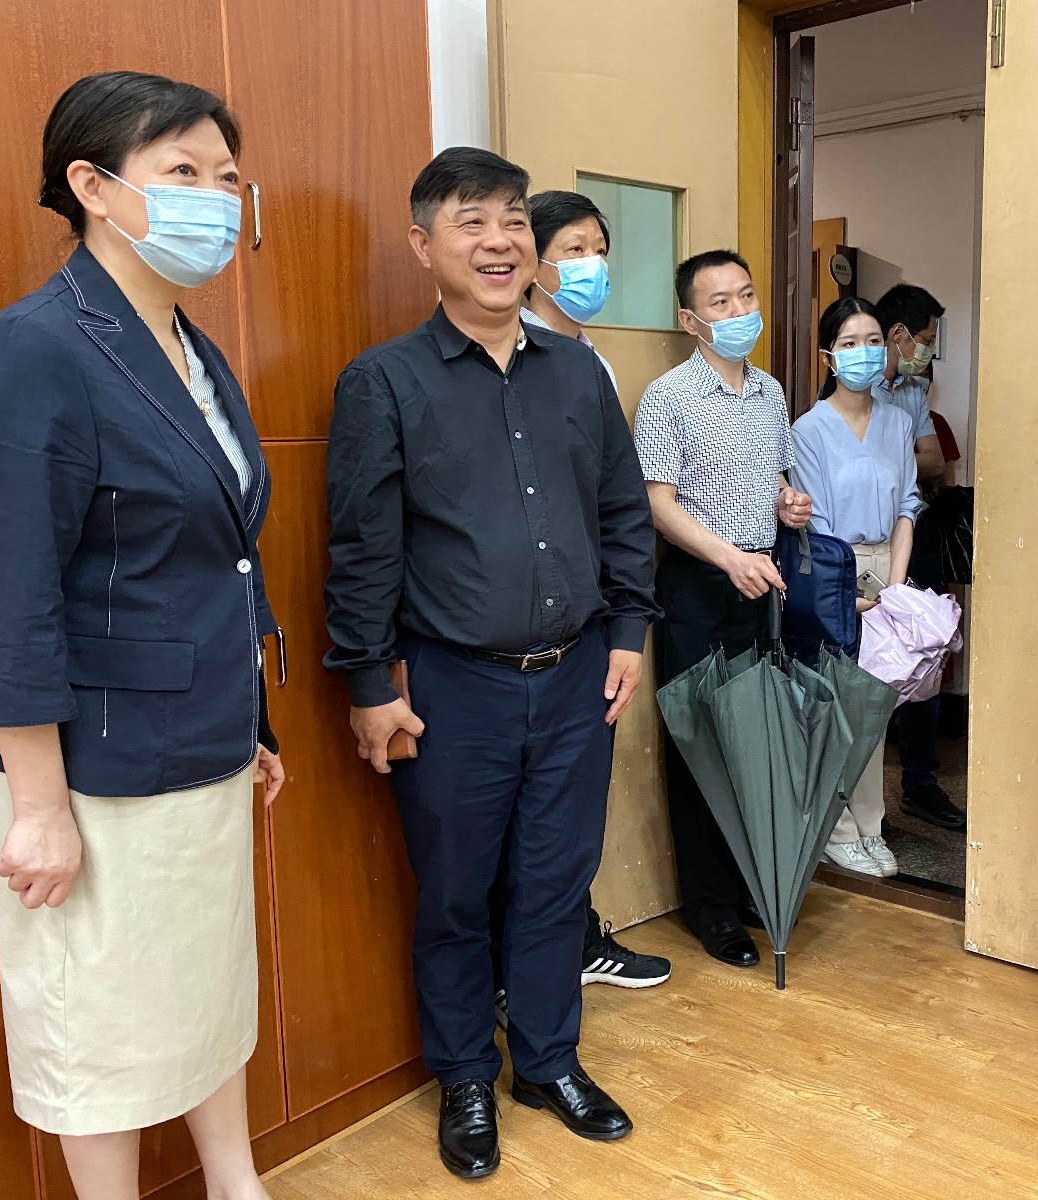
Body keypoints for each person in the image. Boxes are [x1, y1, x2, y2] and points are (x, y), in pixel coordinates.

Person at [0, 72, 284, 1200]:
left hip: (203, 739)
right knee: (99, 1014)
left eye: (227, 177)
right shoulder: (31, 349)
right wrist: (38, 807)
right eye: (182, 172)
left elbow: (219, 558)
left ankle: (236, 1184)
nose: (215, 199)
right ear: (92, 186)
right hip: (91, 765)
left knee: (204, 986)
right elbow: (9, 598)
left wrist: (251, 722)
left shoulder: (191, 348)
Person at [323, 147, 657, 1180]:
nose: (500, 241)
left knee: (557, 883)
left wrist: (630, 634)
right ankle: (466, 1072)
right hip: (450, 686)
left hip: (576, 676)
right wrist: (368, 684)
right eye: (471, 222)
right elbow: (362, 548)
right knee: (457, 895)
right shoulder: (384, 381)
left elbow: (621, 511)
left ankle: (547, 1062)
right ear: (424, 246)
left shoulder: (578, 374)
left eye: (513, 220)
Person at [492, 187, 669, 994]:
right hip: (518, 626)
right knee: (520, 815)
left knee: (569, 810)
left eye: (600, 249)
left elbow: (615, 499)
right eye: (574, 250)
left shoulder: (589, 360)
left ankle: (576, 939)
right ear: (532, 264)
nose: (592, 265)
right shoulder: (508, 355)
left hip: (587, 615)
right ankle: (524, 966)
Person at [633, 249, 813, 968]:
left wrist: (787, 504)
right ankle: (709, 907)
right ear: (690, 320)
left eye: (746, 296)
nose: (740, 312)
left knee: (754, 741)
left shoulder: (770, 392)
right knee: (699, 744)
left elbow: (772, 477)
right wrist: (728, 557)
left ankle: (746, 885)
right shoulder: (667, 397)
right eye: (720, 303)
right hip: (699, 584)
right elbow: (657, 504)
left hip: (761, 578)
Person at [789, 297, 922, 878]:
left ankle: (870, 824)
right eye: (849, 343)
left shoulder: (898, 422)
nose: (864, 353)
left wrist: (895, 586)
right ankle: (836, 831)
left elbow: (908, 505)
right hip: (832, 569)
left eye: (872, 341)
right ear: (829, 356)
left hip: (888, 568)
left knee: (875, 706)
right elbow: (814, 522)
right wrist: (848, 591)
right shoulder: (808, 429)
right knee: (835, 704)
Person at [873, 283, 966, 832]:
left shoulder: (912, 390)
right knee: (870, 661)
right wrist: (897, 457)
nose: (928, 350)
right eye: (926, 338)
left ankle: (920, 783)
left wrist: (888, 456)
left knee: (925, 655)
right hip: (866, 541)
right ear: (898, 333)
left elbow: (932, 463)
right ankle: (861, 803)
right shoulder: (849, 390)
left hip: (918, 532)